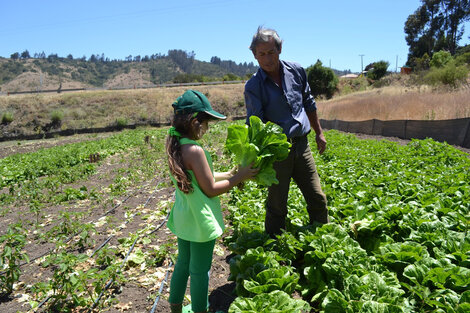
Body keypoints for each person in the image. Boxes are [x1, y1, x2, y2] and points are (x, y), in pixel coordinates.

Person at [166, 89, 258, 313]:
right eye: (206, 123)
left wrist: (229, 174)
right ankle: (200, 310)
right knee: (199, 271)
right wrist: (239, 178)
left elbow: (199, 178)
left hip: (184, 218)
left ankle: (176, 308)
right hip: (200, 221)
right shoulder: (195, 151)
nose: (206, 129)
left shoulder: (176, 144)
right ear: (195, 122)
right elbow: (210, 189)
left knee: (183, 264)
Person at [244, 26, 329, 237]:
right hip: (278, 154)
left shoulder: (296, 71)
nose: (267, 59)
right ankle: (275, 247)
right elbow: (256, 124)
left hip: (302, 146)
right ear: (255, 56)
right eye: (261, 54)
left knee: (317, 197)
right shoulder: (254, 86)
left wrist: (319, 133)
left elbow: (309, 103)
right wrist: (258, 158)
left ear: (279, 50)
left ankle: (325, 238)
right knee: (277, 204)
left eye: (271, 52)